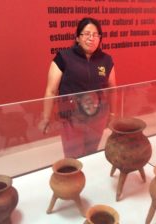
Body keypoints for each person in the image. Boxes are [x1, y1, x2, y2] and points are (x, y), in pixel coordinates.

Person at [39, 17, 116, 158]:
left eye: (95, 35)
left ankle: (87, 178)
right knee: (73, 156)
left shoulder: (106, 60)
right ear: (77, 37)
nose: (91, 38)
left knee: (91, 153)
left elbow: (112, 88)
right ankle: (74, 178)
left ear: (100, 38)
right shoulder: (63, 57)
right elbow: (51, 90)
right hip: (71, 118)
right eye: (86, 34)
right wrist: (46, 118)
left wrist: (112, 114)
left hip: (97, 117)